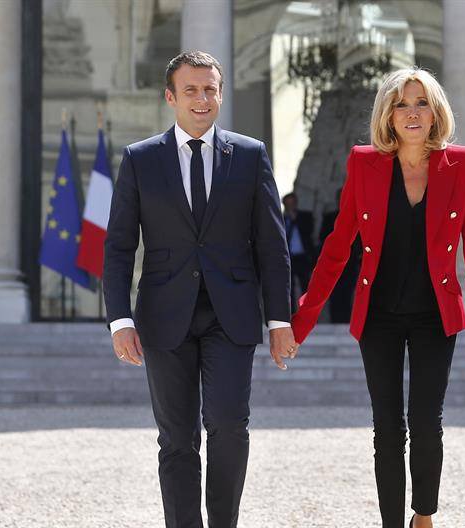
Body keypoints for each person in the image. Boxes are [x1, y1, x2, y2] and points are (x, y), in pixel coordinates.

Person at [291, 67, 465, 528]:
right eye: (401, 104)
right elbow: (337, 248)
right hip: (379, 316)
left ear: (435, 112)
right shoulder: (364, 163)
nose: (412, 113)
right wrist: (301, 322)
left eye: (421, 103)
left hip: (435, 316)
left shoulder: (463, 163)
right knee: (387, 428)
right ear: (387, 114)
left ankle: (423, 515)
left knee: (426, 423)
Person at [103, 50, 298, 528]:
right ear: (170, 97)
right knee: (176, 438)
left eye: (210, 89)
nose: (201, 98)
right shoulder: (140, 159)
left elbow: (272, 245)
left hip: (231, 315)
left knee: (229, 425)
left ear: (221, 95)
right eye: (190, 89)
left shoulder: (249, 155)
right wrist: (120, 319)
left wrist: (279, 320)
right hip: (163, 316)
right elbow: (119, 246)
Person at [318, 187, 361, 323]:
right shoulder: (329, 217)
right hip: (333, 261)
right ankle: (335, 320)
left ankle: (345, 321)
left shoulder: (357, 216)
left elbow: (361, 240)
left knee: (348, 292)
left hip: (350, 261)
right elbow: (322, 238)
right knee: (333, 291)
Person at [281, 192, 316, 310]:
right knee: (289, 288)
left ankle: (306, 311)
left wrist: (295, 219)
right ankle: (291, 313)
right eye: (288, 204)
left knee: (305, 285)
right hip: (289, 258)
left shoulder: (305, 217)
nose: (290, 206)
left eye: (292, 204)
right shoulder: (281, 220)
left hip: (303, 257)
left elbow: (309, 231)